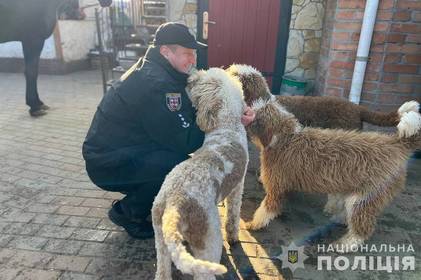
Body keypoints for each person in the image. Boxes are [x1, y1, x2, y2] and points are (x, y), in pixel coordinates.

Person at [82, 22, 255, 239]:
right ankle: (127, 212)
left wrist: (237, 111)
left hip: (117, 152)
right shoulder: (158, 84)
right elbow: (188, 140)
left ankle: (148, 196)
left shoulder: (158, 69)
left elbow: (192, 106)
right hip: (108, 163)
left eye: (194, 53)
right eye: (187, 54)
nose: (193, 60)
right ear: (165, 51)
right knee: (176, 163)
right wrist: (227, 122)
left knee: (171, 158)